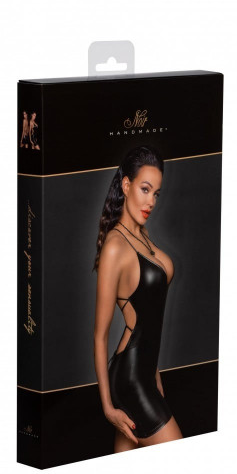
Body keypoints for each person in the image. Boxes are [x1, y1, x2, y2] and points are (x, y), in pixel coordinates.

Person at [93, 145, 183, 453]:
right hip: (130, 379)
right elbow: (100, 335)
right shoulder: (115, 247)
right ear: (126, 185)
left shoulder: (141, 236)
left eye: (156, 193)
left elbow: (149, 314)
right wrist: (107, 407)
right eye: (145, 189)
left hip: (144, 374)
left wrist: (154, 372)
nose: (151, 201)